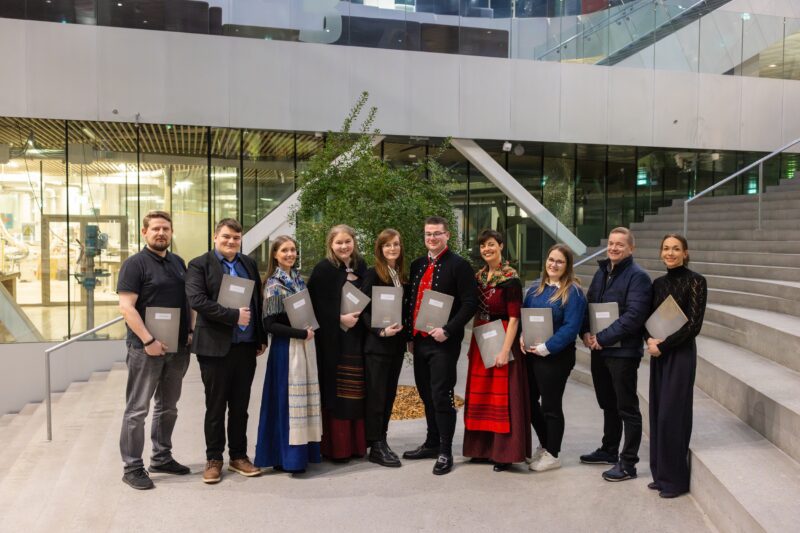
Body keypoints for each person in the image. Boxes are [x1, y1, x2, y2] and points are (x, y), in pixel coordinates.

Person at [185, 218, 268, 484]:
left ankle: (238, 456)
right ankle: (214, 459)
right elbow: (197, 300)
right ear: (215, 237)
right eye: (226, 236)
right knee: (216, 406)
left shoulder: (248, 264)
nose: (231, 241)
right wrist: (233, 316)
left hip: (245, 346)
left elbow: (256, 302)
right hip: (214, 348)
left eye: (236, 237)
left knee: (241, 406)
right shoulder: (199, 264)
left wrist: (260, 337)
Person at [117, 210, 191, 490]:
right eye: (156, 228)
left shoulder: (178, 262)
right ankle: (132, 467)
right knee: (137, 409)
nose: (161, 233)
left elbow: (187, 301)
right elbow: (126, 308)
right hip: (145, 349)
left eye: (166, 229)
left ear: (171, 233)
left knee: (168, 407)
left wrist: (190, 332)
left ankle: (161, 457)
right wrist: (149, 341)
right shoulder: (134, 264)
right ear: (144, 232)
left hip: (176, 348)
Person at [404, 216, 477, 475]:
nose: (432, 238)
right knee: (426, 394)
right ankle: (432, 443)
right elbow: (411, 302)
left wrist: (448, 330)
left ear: (447, 235)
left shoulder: (460, 266)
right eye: (428, 234)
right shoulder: (417, 265)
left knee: (441, 396)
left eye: (437, 233)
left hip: (443, 343)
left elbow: (470, 303)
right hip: (419, 342)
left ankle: (446, 451)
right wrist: (409, 336)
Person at [580, 227, 653, 482]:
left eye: (620, 244)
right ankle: (609, 449)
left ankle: (628, 463)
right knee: (608, 403)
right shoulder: (601, 272)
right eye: (611, 243)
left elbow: (634, 316)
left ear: (631, 248)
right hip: (600, 350)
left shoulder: (638, 277)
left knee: (627, 407)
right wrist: (586, 332)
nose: (613, 248)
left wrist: (602, 338)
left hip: (623, 352)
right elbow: (589, 305)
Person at [462, 229, 531, 472]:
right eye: (483, 246)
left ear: (501, 246)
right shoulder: (479, 276)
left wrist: (504, 351)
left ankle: (504, 453)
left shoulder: (510, 278)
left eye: (491, 244)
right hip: (482, 335)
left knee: (501, 395)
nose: (486, 249)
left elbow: (514, 318)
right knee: (481, 394)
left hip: (502, 336)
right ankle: (481, 449)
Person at [645, 233, 707, 498]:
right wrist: (649, 340)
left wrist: (663, 345)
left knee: (673, 415)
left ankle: (676, 480)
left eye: (676, 249)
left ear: (685, 253)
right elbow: (648, 319)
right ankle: (661, 475)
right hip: (659, 353)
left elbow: (694, 325)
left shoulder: (696, 281)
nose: (670, 253)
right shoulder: (658, 283)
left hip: (680, 354)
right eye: (666, 248)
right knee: (658, 413)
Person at [254, 235, 322, 474]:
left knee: (304, 401)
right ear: (275, 254)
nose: (290, 254)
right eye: (284, 250)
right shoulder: (273, 284)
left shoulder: (299, 280)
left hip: (305, 346)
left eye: (293, 250)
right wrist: (301, 334)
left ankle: (305, 453)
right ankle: (285, 457)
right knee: (286, 402)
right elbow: (270, 325)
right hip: (286, 349)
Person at [521, 244, 587, 472]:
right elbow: (525, 317)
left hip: (555, 357)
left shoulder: (573, 292)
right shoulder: (534, 289)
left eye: (560, 261)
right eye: (551, 259)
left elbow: (571, 327)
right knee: (529, 403)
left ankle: (553, 454)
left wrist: (546, 347)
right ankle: (545, 444)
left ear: (567, 266)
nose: (554, 264)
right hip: (531, 355)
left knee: (551, 406)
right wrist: (522, 336)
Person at [307, 224, 368, 461]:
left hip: (358, 339)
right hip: (333, 341)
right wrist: (339, 318)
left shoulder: (362, 266)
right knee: (337, 391)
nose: (344, 246)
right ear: (330, 245)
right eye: (339, 242)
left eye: (347, 241)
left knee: (357, 390)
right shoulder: (323, 269)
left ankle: (357, 445)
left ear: (354, 242)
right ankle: (337, 447)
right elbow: (314, 306)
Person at [359, 229, 407, 467]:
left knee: (388, 395)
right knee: (377, 397)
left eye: (396, 244)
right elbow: (362, 310)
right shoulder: (372, 274)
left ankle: (382, 439)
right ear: (380, 249)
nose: (392, 248)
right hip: (377, 346)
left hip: (396, 346)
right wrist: (379, 330)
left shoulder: (400, 276)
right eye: (387, 245)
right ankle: (375, 445)